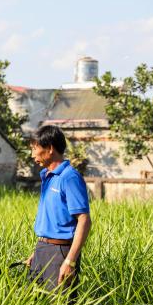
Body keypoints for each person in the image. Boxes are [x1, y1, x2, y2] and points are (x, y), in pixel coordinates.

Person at [25, 125, 91, 295]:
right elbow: (53, 221)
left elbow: (84, 219)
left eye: (35, 148)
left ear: (50, 148)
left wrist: (70, 261)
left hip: (60, 253)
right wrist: (38, 251)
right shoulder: (47, 176)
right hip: (42, 249)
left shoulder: (69, 177)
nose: (32, 155)